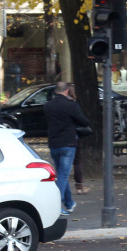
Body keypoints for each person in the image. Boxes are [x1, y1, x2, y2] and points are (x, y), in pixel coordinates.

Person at [44, 81, 89, 215]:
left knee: (62, 174)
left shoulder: (48, 106)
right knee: (63, 176)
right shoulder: (70, 105)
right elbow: (84, 121)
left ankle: (69, 203)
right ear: (66, 91)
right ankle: (57, 205)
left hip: (53, 143)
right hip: (68, 144)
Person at [68, 84, 88, 194]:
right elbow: (83, 120)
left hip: (57, 139)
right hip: (73, 136)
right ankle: (79, 186)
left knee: (62, 167)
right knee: (77, 162)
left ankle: (63, 187)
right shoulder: (73, 104)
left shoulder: (55, 104)